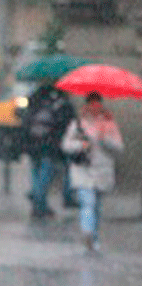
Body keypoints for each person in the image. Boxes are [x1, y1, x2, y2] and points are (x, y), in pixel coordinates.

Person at [60, 91, 123, 252]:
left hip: (102, 171)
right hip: (83, 170)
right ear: (87, 104)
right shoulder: (78, 123)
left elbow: (119, 147)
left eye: (97, 104)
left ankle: (94, 238)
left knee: (96, 206)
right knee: (88, 203)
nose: (95, 107)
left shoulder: (109, 123)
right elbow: (66, 145)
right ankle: (87, 232)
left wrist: (104, 139)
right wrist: (81, 145)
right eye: (92, 103)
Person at [23, 81, 76, 218]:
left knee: (36, 174)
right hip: (48, 145)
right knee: (45, 175)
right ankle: (39, 204)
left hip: (32, 143)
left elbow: (24, 118)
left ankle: (39, 203)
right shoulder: (60, 102)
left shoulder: (34, 99)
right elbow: (66, 123)